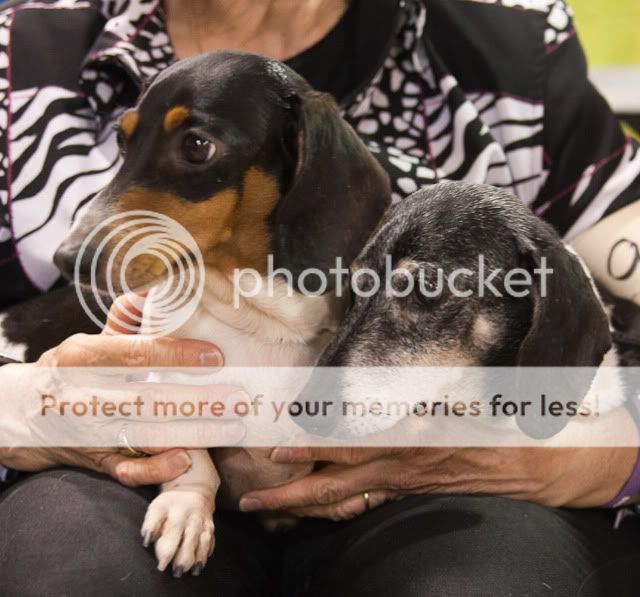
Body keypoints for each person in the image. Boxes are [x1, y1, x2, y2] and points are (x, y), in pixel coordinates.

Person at [0, 0, 639, 595]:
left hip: (431, 491)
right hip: (133, 474)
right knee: (75, 564)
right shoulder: (22, 53)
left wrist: (607, 460)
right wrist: (26, 411)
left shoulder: (510, 45)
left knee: (487, 575)